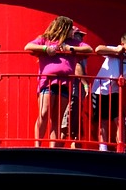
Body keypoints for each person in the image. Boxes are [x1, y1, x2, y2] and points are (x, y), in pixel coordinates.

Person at [24, 16, 91, 147]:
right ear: (63, 28)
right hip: (47, 82)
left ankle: (52, 148)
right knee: (43, 113)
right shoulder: (45, 39)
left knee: (57, 118)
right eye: (70, 28)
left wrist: (70, 49)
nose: (73, 31)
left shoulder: (72, 42)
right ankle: (37, 146)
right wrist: (46, 49)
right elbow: (28, 46)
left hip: (65, 84)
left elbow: (89, 49)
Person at [88, 32, 126, 150]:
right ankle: (103, 148)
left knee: (119, 119)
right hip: (100, 89)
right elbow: (98, 49)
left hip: (115, 91)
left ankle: (120, 147)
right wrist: (116, 51)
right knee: (103, 119)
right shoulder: (115, 50)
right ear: (122, 44)